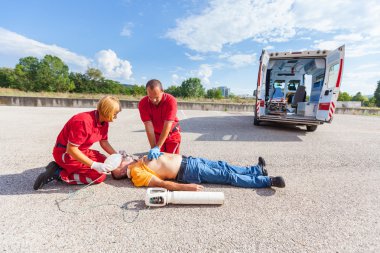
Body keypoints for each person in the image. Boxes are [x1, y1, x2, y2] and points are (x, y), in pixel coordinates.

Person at [33, 96, 123, 190]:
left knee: (106, 162)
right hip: (65, 153)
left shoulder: (104, 122)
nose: (116, 116)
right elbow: (71, 149)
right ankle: (58, 173)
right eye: (115, 113)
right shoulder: (83, 121)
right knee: (98, 176)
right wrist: (94, 165)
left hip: (81, 150)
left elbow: (104, 142)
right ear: (106, 111)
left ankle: (65, 168)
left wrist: (117, 156)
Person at [111, 153, 285, 191]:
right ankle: (267, 181)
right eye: (120, 159)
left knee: (224, 166)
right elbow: (162, 184)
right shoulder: (136, 174)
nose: (123, 155)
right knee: (227, 176)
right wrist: (188, 188)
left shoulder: (136, 161)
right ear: (119, 170)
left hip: (190, 160)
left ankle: (255, 170)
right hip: (187, 171)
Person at [138, 79, 181, 161]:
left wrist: (158, 147)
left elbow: (167, 125)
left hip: (171, 134)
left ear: (162, 91)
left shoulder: (170, 101)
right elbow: (149, 126)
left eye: (156, 97)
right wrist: (153, 147)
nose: (153, 100)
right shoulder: (143, 103)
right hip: (156, 134)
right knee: (158, 161)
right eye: (150, 97)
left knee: (171, 160)